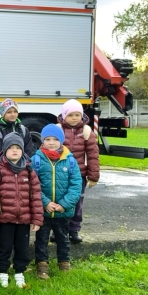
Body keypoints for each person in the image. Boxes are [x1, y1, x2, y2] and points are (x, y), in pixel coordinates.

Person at [0, 133, 44, 289]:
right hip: (5, 220)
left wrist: (37, 219)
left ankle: (19, 272)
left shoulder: (29, 171)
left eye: (18, 148)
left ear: (23, 150)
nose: (15, 151)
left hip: (24, 220)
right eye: (11, 148)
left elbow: (36, 196)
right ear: (4, 150)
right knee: (3, 247)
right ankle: (3, 271)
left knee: (22, 248)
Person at [30, 125, 83, 280]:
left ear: (61, 141)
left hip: (62, 210)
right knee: (41, 239)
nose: (51, 142)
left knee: (63, 238)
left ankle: (64, 263)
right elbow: (32, 185)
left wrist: (64, 204)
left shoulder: (70, 161)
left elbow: (76, 185)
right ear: (42, 141)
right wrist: (45, 202)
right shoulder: (37, 160)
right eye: (47, 139)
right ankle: (42, 265)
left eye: (55, 139)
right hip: (43, 210)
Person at [58, 99, 100, 244]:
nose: (74, 118)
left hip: (79, 175)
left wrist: (93, 176)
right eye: (70, 115)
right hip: (59, 175)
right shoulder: (58, 130)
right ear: (64, 116)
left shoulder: (86, 131)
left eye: (77, 115)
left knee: (77, 202)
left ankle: (74, 229)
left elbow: (93, 154)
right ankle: (59, 229)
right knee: (60, 200)